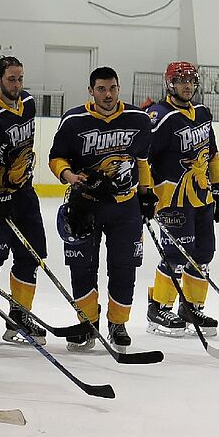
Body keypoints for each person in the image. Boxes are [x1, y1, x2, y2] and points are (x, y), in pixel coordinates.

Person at [48, 67, 153, 352]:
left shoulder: (139, 119)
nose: (108, 95)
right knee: (82, 267)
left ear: (118, 88)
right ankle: (87, 323)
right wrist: (70, 176)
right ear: (91, 91)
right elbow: (56, 158)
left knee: (124, 267)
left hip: (125, 207)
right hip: (86, 205)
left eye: (112, 88)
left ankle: (118, 324)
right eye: (101, 89)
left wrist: (146, 193)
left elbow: (142, 160)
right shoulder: (74, 121)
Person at [145, 61, 219, 337]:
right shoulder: (159, 116)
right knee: (176, 255)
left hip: (201, 198)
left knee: (203, 254)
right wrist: (145, 193)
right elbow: (143, 158)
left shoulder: (202, 113)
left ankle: (191, 307)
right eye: (181, 80)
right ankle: (158, 307)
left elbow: (212, 154)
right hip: (172, 200)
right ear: (170, 84)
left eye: (191, 80)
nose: (187, 85)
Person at [0, 56, 48, 343]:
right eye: (11, 79)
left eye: (20, 78)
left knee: (30, 255)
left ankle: (20, 315)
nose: (17, 84)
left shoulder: (28, 103)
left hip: (24, 193)